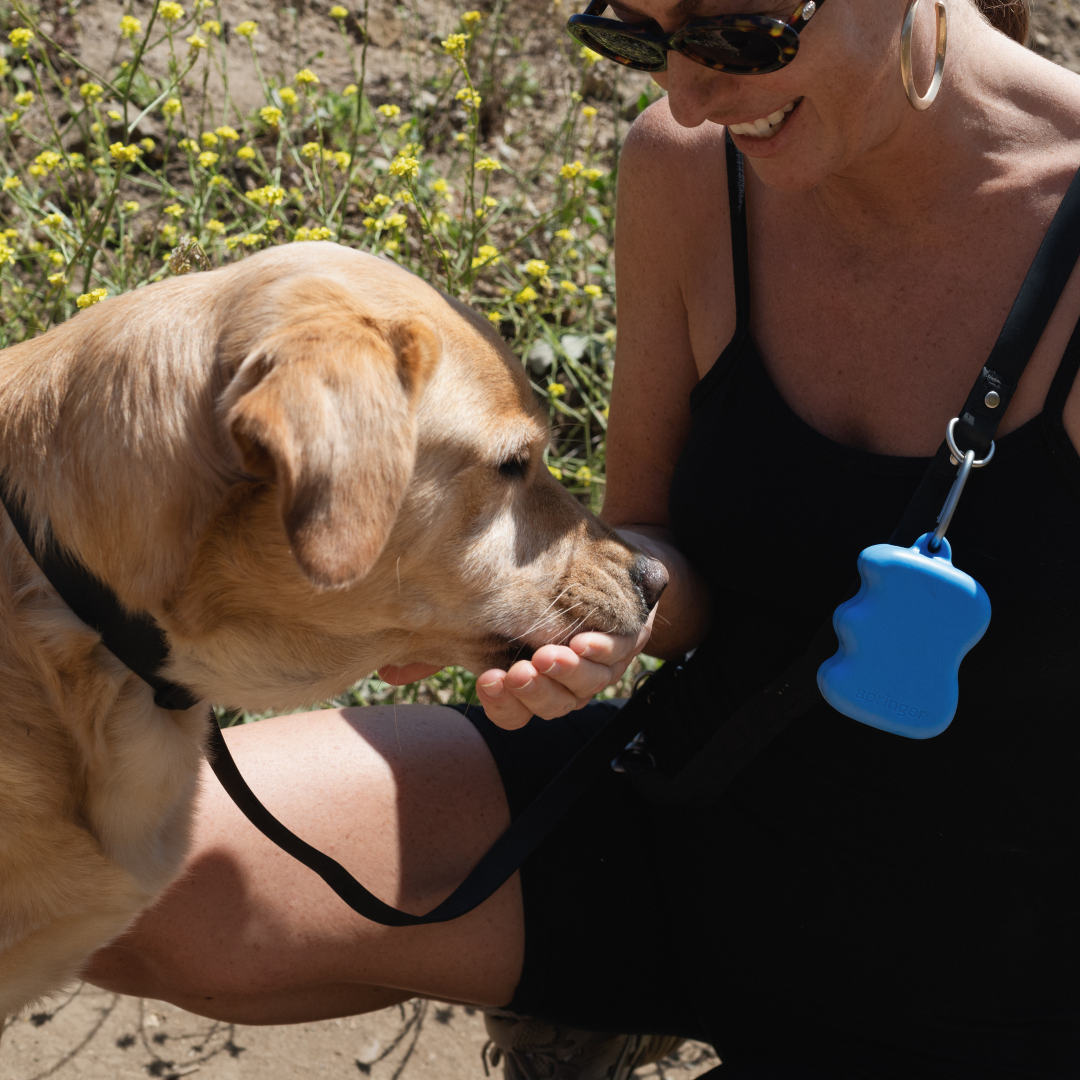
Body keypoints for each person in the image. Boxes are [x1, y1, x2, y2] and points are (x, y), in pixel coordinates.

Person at [86, 0, 1080, 1075]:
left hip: (999, 936)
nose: (686, 95)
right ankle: (600, 1004)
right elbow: (656, 539)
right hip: (697, 810)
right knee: (124, 882)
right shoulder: (688, 165)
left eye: (740, 36)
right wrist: (595, 618)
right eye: (636, 39)